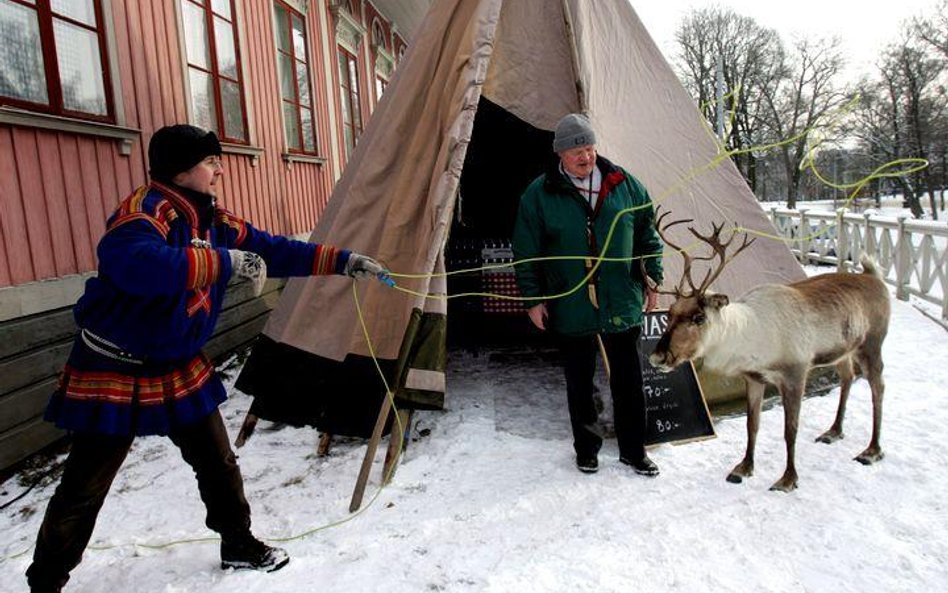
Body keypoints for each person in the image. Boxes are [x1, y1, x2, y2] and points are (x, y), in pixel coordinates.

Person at [26, 124, 388, 593]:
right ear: (180, 170)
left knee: (218, 461)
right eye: (209, 161)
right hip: (115, 366)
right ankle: (46, 581)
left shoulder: (211, 219)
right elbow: (135, 265)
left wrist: (342, 261)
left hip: (175, 362)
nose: (219, 168)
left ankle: (237, 542)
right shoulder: (142, 214)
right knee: (84, 486)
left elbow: (271, 249)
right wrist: (224, 263)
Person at [512, 113, 664, 476]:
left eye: (590, 147)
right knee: (580, 382)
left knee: (628, 379)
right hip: (571, 299)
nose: (586, 156)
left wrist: (652, 279)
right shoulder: (540, 193)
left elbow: (648, 236)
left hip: (620, 298)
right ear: (560, 154)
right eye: (577, 150)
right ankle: (587, 449)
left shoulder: (625, 184)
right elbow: (526, 249)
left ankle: (634, 449)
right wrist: (533, 299)